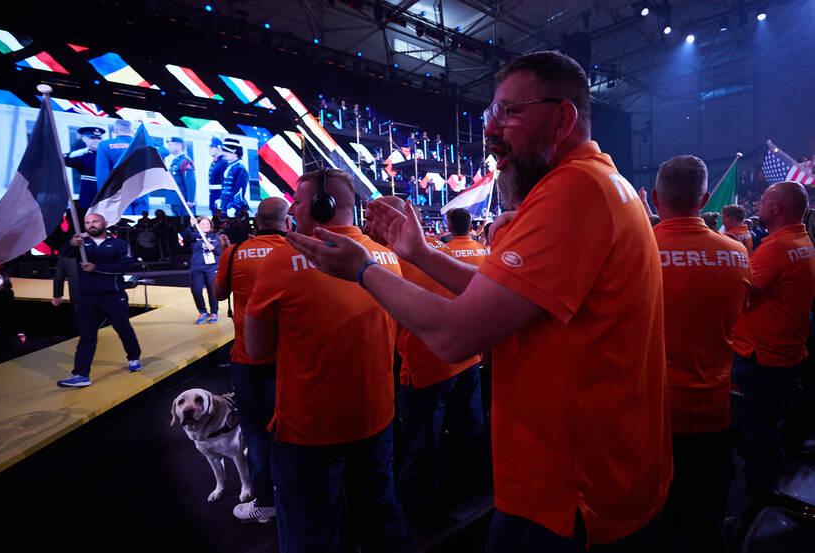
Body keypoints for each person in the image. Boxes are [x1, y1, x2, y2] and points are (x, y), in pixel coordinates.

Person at [288, 51, 671, 551]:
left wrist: (360, 269)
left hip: (570, 495)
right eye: (492, 113)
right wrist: (421, 255)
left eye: (510, 112)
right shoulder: (601, 180)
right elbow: (498, 292)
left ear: (563, 118)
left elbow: (455, 334)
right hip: (605, 475)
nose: (492, 129)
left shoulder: (572, 190)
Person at [244, 169, 406, 553]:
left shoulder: (283, 260)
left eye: (297, 203)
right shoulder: (387, 258)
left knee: (309, 531)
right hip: (376, 417)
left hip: (310, 428)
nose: (292, 211)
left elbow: (257, 350)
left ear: (320, 206)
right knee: (380, 516)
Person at [650, 155, 752, 552]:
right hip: (713, 408)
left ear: (657, 197)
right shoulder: (738, 254)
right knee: (706, 519)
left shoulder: (635, 251)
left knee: (655, 521)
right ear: (706, 198)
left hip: (655, 414)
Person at [367, 196, 487, 530]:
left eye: (372, 218)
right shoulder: (439, 249)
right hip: (465, 359)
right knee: (468, 435)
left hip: (425, 366)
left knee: (421, 449)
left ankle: (423, 525)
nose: (366, 226)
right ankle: (474, 503)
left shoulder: (389, 258)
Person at [731, 181, 815, 514]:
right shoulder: (802, 240)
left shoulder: (775, 248)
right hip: (785, 351)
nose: (759, 204)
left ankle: (758, 507)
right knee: (772, 426)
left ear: (777, 207)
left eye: (764, 199)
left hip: (762, 356)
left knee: (760, 436)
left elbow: (742, 296)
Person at [213, 197, 290, 524]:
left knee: (257, 435)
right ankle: (297, 495)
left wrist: (225, 255)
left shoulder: (234, 254)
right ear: (288, 222)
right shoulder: (301, 252)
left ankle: (267, 502)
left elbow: (218, 295)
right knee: (292, 430)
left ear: (257, 220)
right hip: (293, 359)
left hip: (249, 359)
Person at [57, 213, 142, 388]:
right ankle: (81, 374)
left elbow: (126, 266)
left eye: (95, 221)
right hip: (87, 296)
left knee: (123, 327)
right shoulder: (81, 243)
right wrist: (72, 243)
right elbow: (64, 254)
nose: (91, 225)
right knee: (87, 335)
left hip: (113, 294)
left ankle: (133, 357)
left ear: (105, 223)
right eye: (87, 222)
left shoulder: (119, 244)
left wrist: (97, 268)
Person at [96, 120, 147, 214]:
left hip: (118, 192)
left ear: (115, 130)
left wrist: (103, 197)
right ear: (132, 130)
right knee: (143, 224)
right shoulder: (144, 143)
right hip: (142, 190)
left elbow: (102, 174)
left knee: (122, 223)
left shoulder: (105, 145)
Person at [183, 216, 220, 324]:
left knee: (212, 291)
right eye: (202, 224)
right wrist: (191, 225)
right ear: (198, 226)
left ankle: (214, 313)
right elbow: (185, 235)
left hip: (211, 268)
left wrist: (214, 248)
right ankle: (203, 312)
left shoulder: (215, 237)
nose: (205, 226)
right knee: (196, 290)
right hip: (197, 268)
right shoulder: (194, 236)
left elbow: (221, 252)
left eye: (207, 224)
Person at [64, 126, 105, 218]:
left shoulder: (107, 154)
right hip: (89, 195)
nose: (96, 141)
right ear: (84, 139)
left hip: (107, 195)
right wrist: (75, 153)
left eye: (99, 138)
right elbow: (63, 160)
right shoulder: (82, 156)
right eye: (92, 138)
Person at [220, 138, 249, 217]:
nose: (223, 154)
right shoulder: (228, 167)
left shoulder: (240, 169)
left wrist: (234, 207)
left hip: (232, 207)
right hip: (225, 204)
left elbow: (239, 191)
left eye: (226, 151)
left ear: (235, 153)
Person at [167, 137, 196, 215]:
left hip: (183, 201)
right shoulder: (176, 161)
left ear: (179, 146)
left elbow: (190, 182)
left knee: (186, 223)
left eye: (170, 145)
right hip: (175, 200)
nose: (168, 147)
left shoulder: (185, 161)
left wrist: (190, 200)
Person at [208, 137, 228, 215]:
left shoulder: (223, 162)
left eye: (212, 147)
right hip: (214, 196)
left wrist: (221, 198)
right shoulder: (215, 162)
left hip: (219, 197)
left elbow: (225, 183)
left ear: (219, 148)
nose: (209, 149)